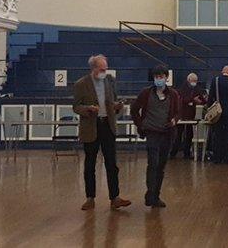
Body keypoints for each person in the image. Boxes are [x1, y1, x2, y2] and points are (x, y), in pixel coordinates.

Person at [72, 54, 131, 211]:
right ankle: (90, 198)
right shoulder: (81, 84)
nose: (104, 71)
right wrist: (88, 109)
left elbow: (114, 101)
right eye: (101, 69)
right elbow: (76, 106)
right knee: (90, 164)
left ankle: (115, 197)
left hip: (107, 126)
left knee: (111, 163)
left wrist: (118, 106)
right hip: (91, 126)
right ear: (94, 68)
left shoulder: (110, 81)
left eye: (106, 68)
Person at [130, 65, 181, 208]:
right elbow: (134, 110)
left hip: (167, 134)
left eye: (161, 76)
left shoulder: (174, 94)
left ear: (166, 77)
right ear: (154, 78)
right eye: (157, 77)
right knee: (152, 163)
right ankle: (150, 193)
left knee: (161, 166)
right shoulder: (145, 93)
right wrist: (141, 125)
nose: (159, 79)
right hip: (152, 132)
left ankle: (156, 195)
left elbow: (178, 112)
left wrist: (174, 121)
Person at [207, 65, 228, 164]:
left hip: (218, 113)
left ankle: (217, 157)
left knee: (217, 135)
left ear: (222, 71)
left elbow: (211, 97)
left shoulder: (216, 81)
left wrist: (209, 108)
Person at [171, 72, 206, 159]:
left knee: (189, 134)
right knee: (178, 134)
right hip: (182, 114)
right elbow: (183, 99)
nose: (194, 83)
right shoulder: (183, 88)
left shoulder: (197, 89)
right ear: (188, 80)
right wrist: (193, 100)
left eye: (196, 81)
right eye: (193, 81)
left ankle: (187, 153)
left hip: (191, 115)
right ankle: (173, 153)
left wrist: (203, 101)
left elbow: (202, 99)